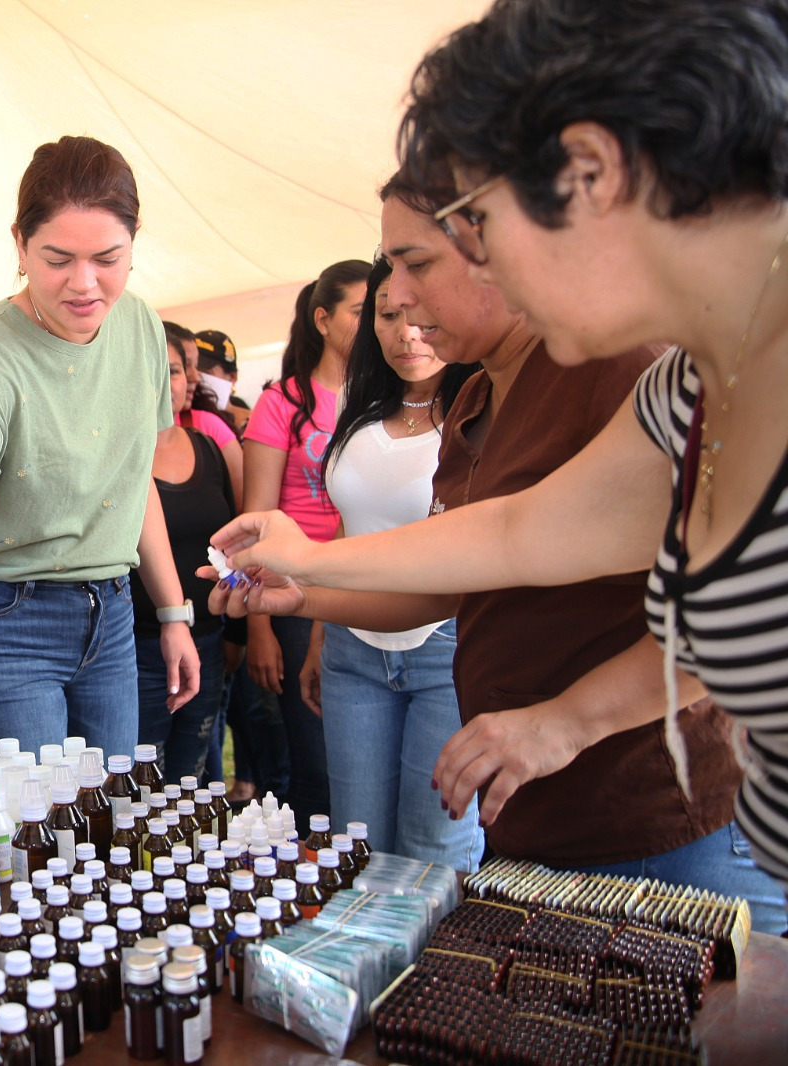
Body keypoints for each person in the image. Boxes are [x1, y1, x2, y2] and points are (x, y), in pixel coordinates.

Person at [286, 0, 788, 902]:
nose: (483, 268)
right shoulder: (692, 390)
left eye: (476, 221)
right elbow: (521, 530)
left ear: (591, 172)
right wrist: (310, 560)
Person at [206, 172, 784, 933]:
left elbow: (740, 614)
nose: (399, 297)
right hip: (539, 822)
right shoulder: (480, 399)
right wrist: (305, 580)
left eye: (418, 264)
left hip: (657, 828)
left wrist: (568, 721)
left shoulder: (640, 368)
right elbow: (510, 540)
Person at [0, 136, 199, 805]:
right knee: (37, 830)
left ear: (135, 243)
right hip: (11, 621)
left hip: (115, 614)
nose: (84, 283)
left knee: (108, 821)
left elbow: (132, 483)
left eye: (108, 259)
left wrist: (173, 610)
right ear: (19, 244)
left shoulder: (143, 327)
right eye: (57, 259)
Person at [306, 256, 481, 867]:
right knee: (359, 848)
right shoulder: (361, 406)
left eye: (422, 315)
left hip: (446, 652)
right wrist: (319, 636)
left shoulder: (480, 412)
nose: (407, 332)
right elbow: (349, 530)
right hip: (352, 652)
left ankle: (442, 968)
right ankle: (373, 965)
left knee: (435, 849)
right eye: (387, 315)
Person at [241, 259, 370, 824]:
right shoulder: (282, 404)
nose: (375, 325)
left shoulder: (391, 396)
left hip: (373, 585)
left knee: (362, 760)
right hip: (294, 596)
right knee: (315, 766)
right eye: (362, 312)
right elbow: (256, 520)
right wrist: (258, 626)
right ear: (322, 318)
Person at [134, 338, 237, 780]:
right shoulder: (116, 453)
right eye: (152, 370)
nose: (165, 382)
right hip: (138, 646)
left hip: (209, 639)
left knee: (194, 776)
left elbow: (237, 544)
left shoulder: (209, 448)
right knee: (143, 783)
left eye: (174, 371)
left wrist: (243, 634)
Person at [163, 320, 243, 509]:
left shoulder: (209, 427)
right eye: (175, 368)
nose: (195, 377)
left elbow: (242, 508)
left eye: (178, 370)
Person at [194, 329, 251, 433]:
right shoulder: (180, 423)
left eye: (205, 371)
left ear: (232, 377)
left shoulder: (253, 423)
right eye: (190, 369)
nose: (196, 377)